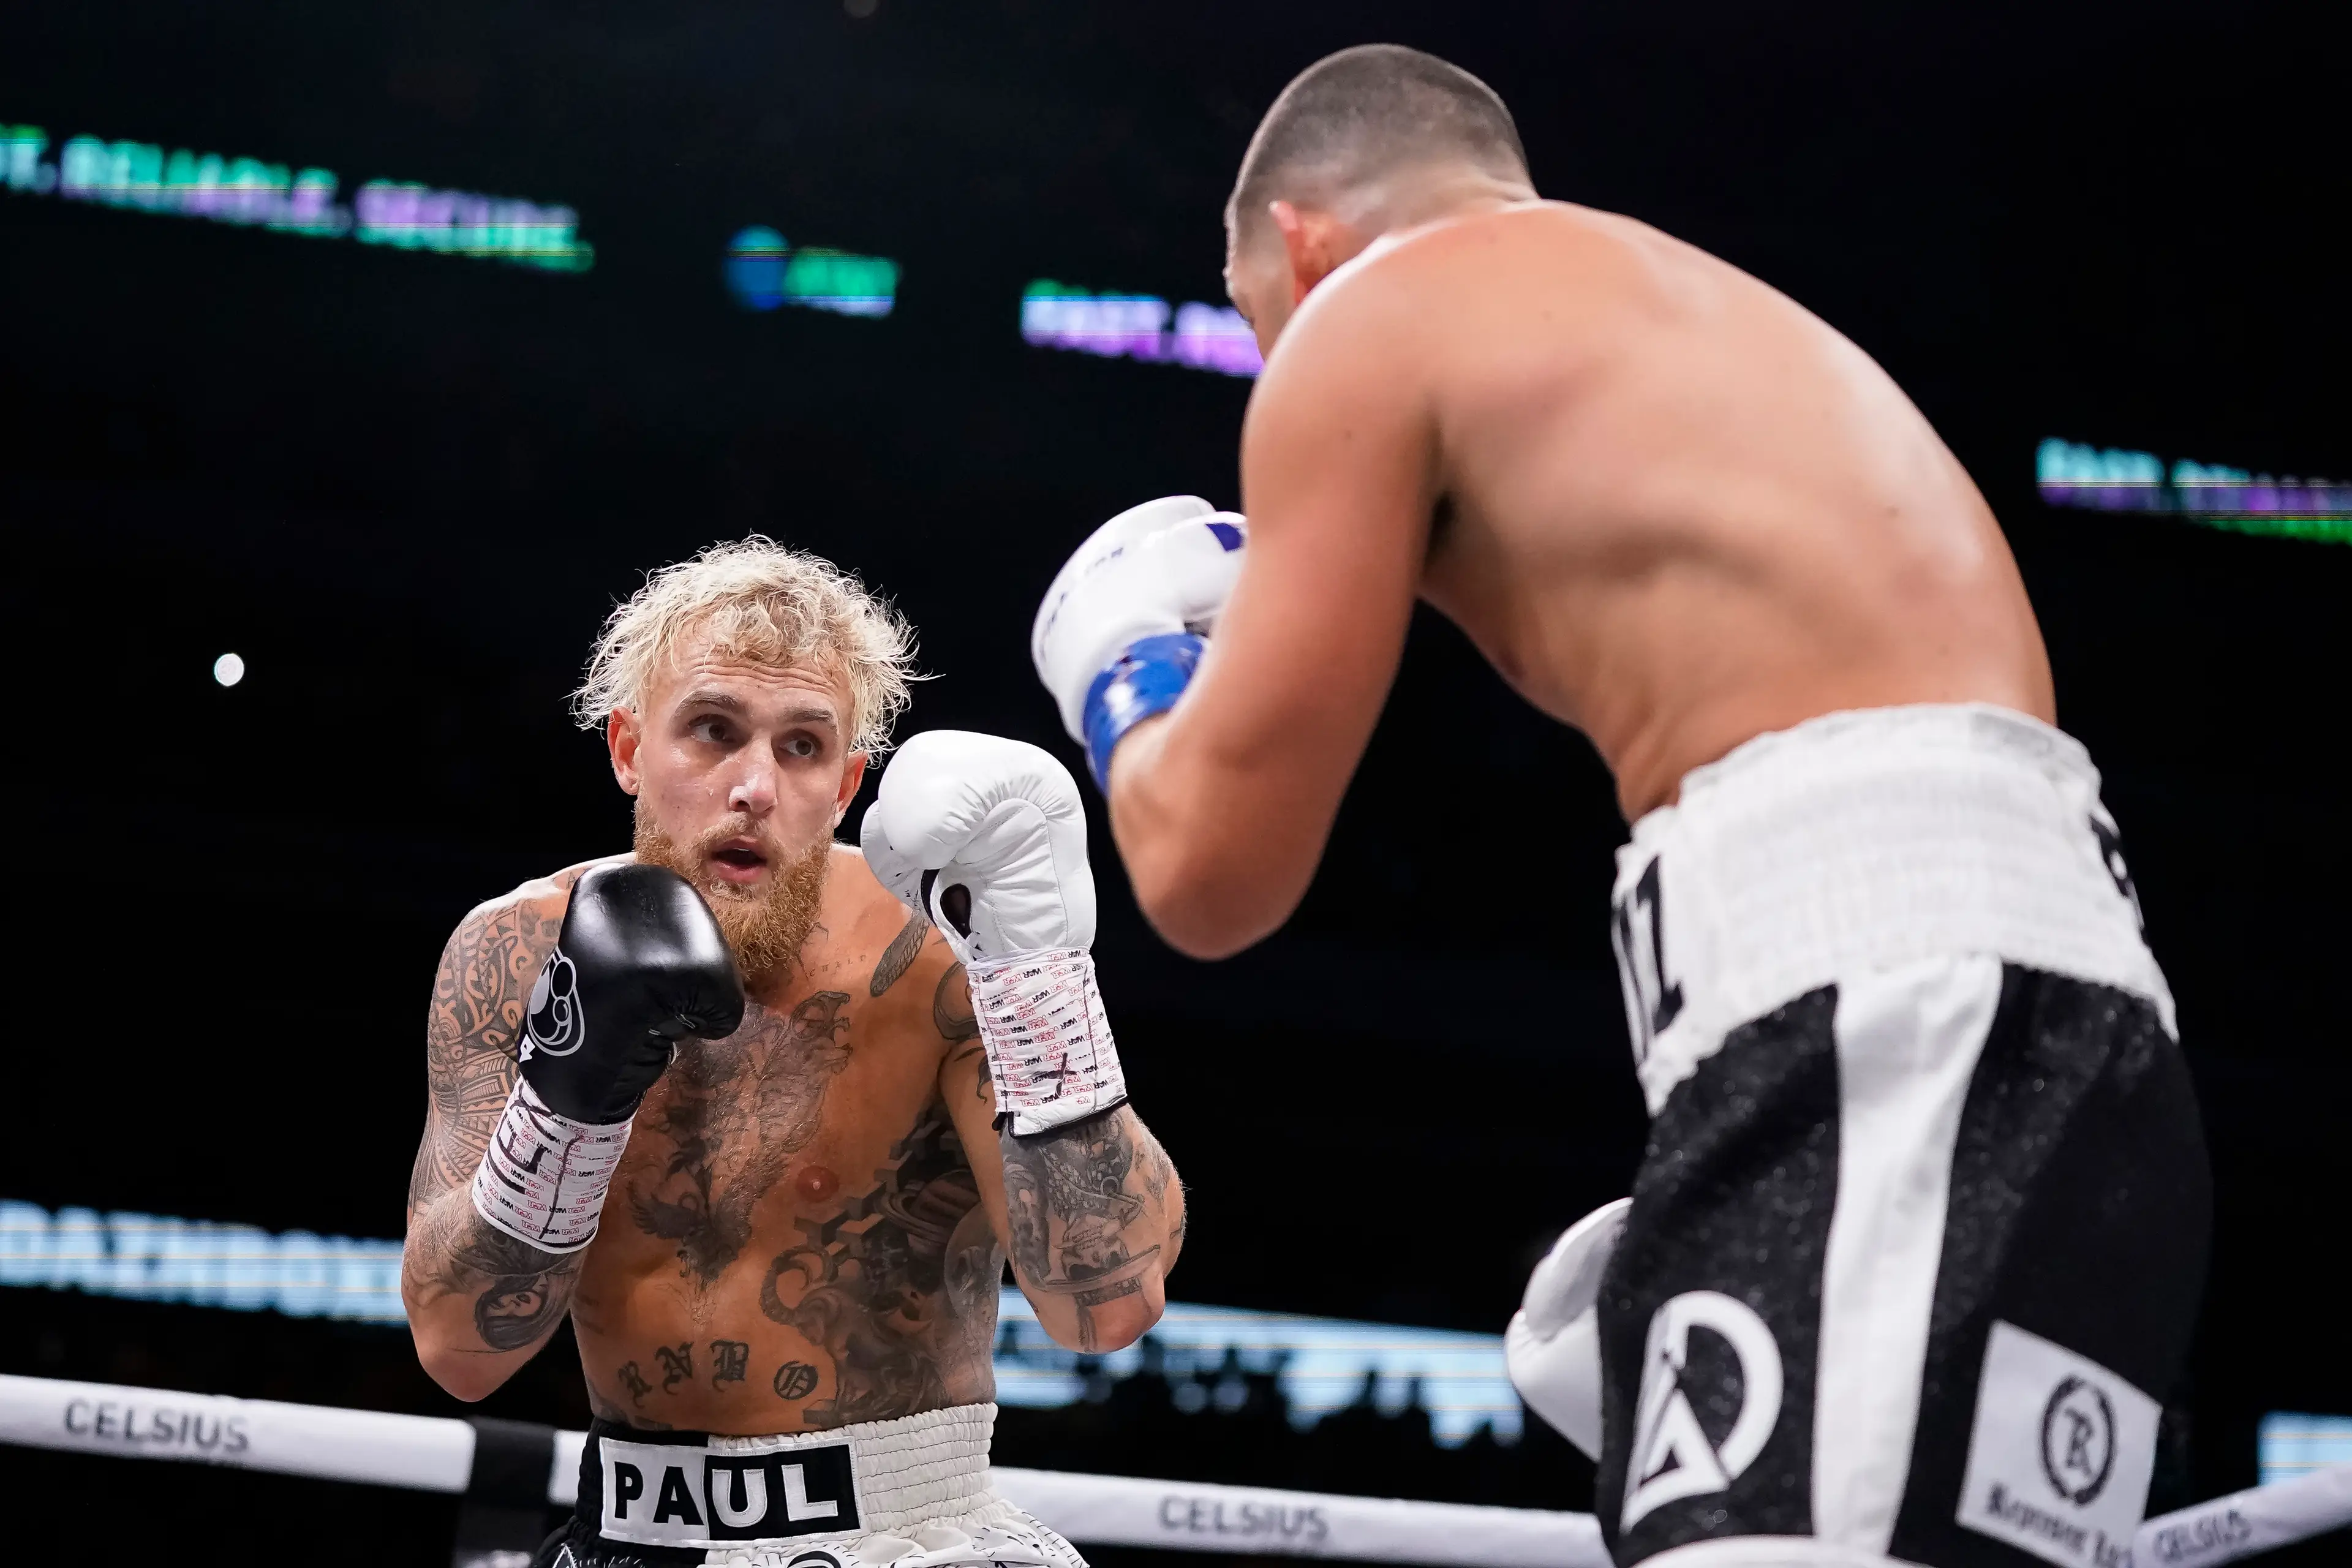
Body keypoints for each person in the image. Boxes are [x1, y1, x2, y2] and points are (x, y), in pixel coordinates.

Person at [1028, 43, 2206, 1568]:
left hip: (1892, 1036)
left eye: (1261, 331)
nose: (1277, 377)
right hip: (2040, 1034)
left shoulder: (1373, 316)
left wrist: (1127, 667)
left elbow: (1208, 873)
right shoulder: (1699, 325)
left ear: (1302, 241)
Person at [404, 538, 1185, 1568]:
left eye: (803, 747)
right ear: (630, 749)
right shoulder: (512, 953)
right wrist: (567, 1104)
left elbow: (1109, 1307)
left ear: (850, 781)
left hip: (910, 1539)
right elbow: (458, 1349)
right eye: (713, 732)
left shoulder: (935, 958)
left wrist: (1037, 973)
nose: (755, 788)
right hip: (624, 1536)